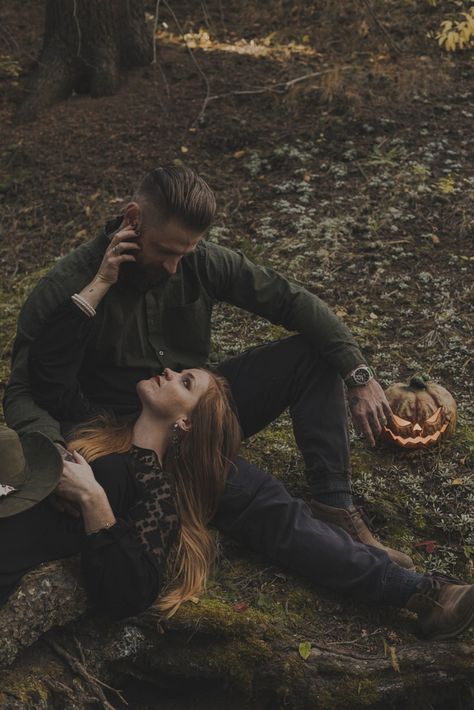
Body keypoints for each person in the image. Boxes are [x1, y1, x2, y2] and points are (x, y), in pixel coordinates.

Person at [3, 167, 474, 638]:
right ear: (133, 219)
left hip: (194, 403)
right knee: (265, 503)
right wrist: (56, 461)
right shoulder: (69, 282)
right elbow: (29, 387)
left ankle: (334, 506)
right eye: (165, 251)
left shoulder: (198, 260)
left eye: (184, 254)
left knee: (314, 353)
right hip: (129, 432)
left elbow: (292, 301)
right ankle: (422, 593)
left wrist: (358, 374)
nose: (174, 267)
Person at [0, 363, 241, 619]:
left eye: (185, 382)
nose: (170, 371)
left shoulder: (157, 493)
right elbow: (38, 387)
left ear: (186, 423)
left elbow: (130, 593)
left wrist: (91, 497)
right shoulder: (99, 428)